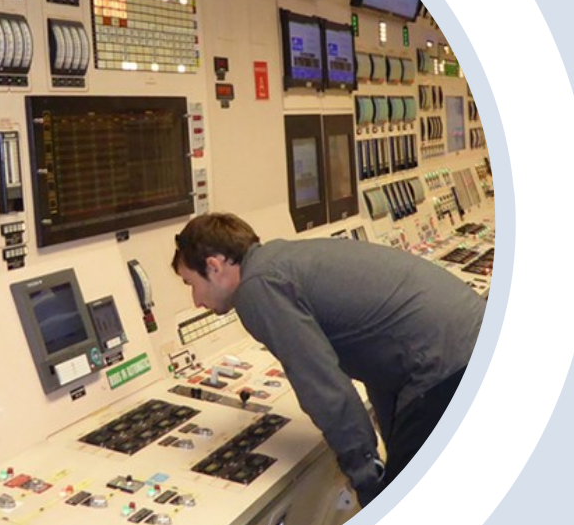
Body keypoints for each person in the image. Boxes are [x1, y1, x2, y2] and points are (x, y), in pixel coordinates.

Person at [172, 213, 486, 506]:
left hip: (443, 364)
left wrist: (364, 471)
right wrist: (385, 456)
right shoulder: (282, 260)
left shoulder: (256, 288)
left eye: (191, 284)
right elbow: (376, 356)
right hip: (465, 342)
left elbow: (320, 383)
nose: (196, 301)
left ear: (214, 266)